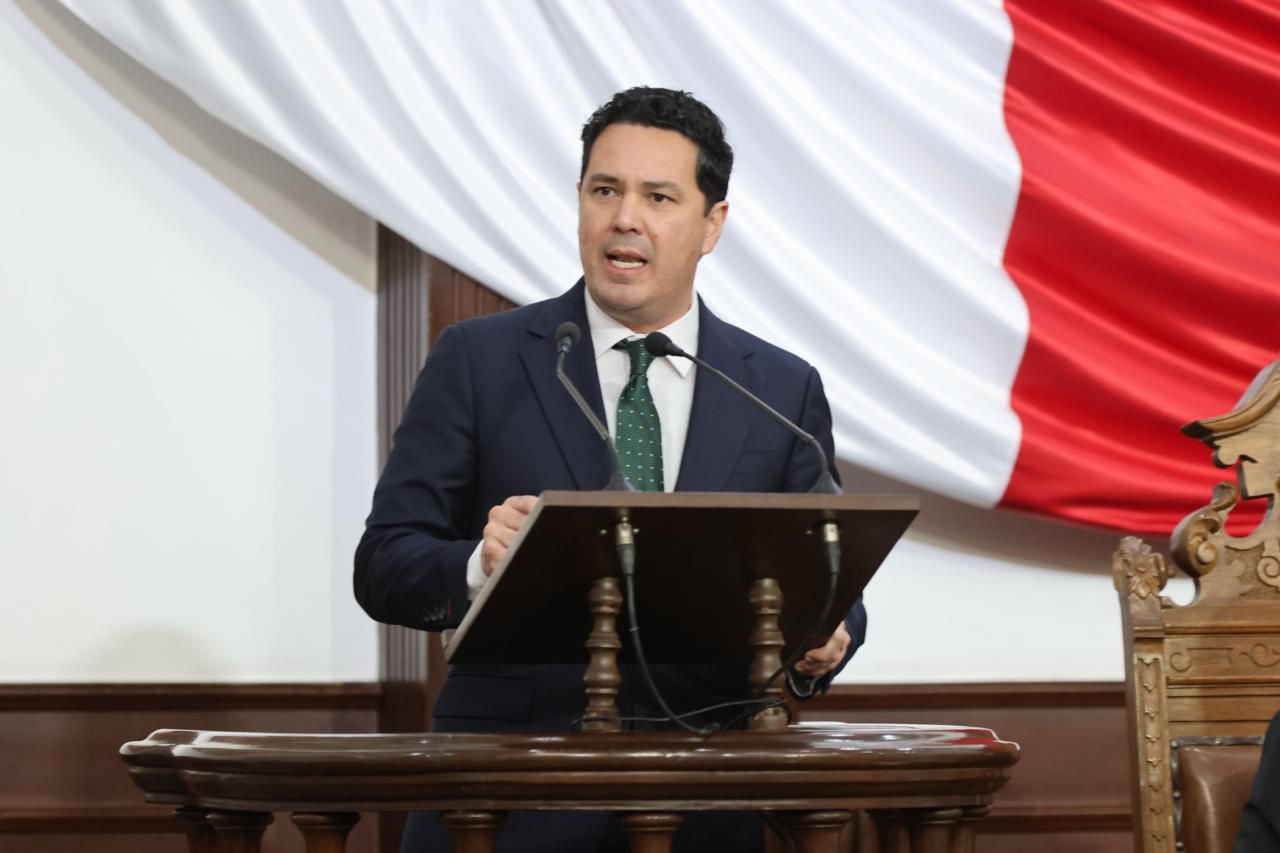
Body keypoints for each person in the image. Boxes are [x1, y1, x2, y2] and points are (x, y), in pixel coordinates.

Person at [355, 86, 867, 853]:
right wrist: (479, 563)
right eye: (604, 190)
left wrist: (828, 634)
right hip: (506, 798)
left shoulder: (779, 388)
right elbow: (384, 563)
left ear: (712, 224)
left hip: (703, 800)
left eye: (658, 196)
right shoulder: (479, 360)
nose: (625, 217)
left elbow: (832, 573)